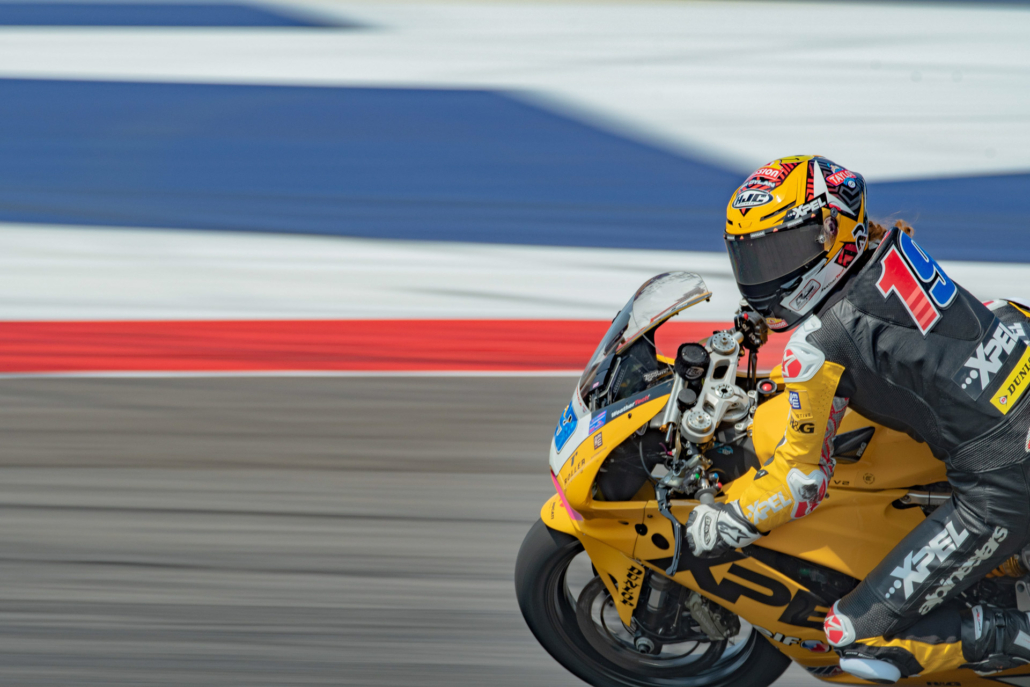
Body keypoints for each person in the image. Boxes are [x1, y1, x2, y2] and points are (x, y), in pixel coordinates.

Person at [683, 155, 1030, 683]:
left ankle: (1006, 632)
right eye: (753, 260)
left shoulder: (818, 344)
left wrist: (726, 522)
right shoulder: (889, 245)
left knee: (855, 638)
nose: (766, 275)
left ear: (832, 230)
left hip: (1004, 474)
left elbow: (800, 483)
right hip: (1017, 369)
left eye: (780, 253)